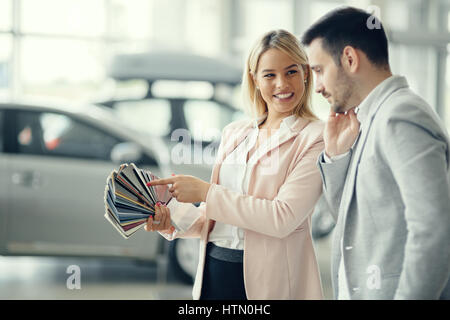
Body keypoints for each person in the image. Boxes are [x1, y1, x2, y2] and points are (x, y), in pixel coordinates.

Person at [144, 29, 325, 300]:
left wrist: (206, 192)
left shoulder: (315, 137)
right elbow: (215, 216)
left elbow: (282, 218)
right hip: (214, 274)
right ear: (254, 79)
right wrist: (173, 219)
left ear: (306, 73)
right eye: (269, 75)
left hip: (270, 283)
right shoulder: (235, 133)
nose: (282, 84)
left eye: (291, 72)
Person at [301, 7, 450, 299]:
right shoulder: (368, 118)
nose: (316, 87)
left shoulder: (401, 115)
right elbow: (353, 223)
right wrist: (336, 156)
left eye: (319, 71)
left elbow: (434, 229)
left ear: (349, 59)